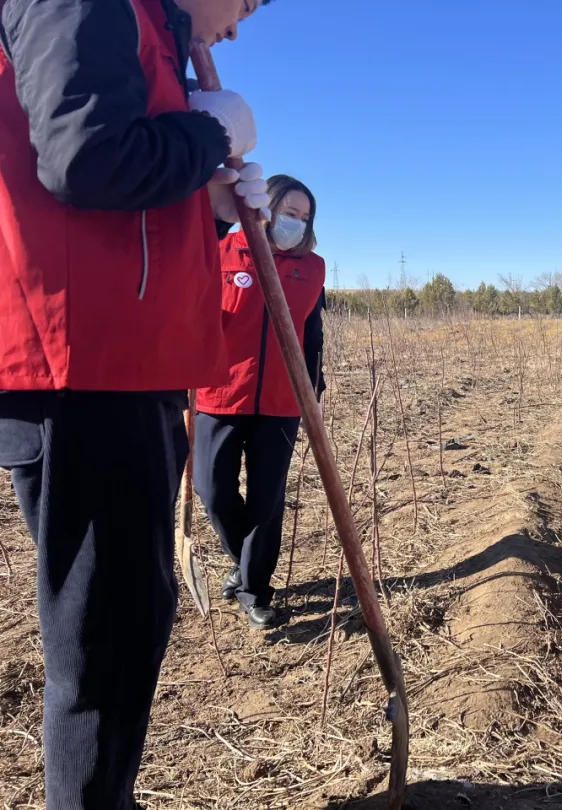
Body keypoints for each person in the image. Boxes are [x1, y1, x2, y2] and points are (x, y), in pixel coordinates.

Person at [0, 0, 273, 806]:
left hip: (124, 365)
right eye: (246, 5)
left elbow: (127, 201)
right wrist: (208, 137)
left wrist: (209, 200)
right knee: (103, 646)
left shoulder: (149, 29)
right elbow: (85, 159)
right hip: (81, 370)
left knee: (127, 627)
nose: (233, 31)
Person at [194, 174, 326, 629]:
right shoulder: (220, 252)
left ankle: (255, 589)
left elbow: (312, 336)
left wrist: (314, 391)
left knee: (266, 501)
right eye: (289, 211)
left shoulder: (312, 268)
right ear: (265, 207)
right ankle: (240, 559)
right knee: (211, 491)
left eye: (303, 216)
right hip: (219, 394)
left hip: (282, 402)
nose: (295, 222)